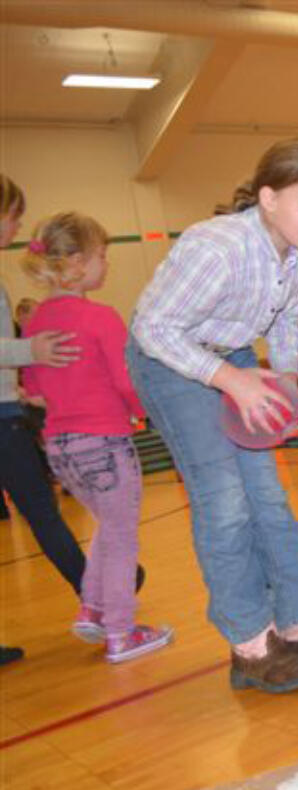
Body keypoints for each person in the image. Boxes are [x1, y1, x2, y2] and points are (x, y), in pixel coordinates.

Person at [127, 138, 298, 694]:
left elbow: (287, 323)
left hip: (237, 358)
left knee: (267, 498)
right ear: (269, 198)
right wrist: (231, 380)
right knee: (224, 502)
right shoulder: (216, 247)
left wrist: (285, 385)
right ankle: (250, 641)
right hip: (173, 362)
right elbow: (153, 331)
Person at [20, 212, 171, 662]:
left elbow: (33, 386)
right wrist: (145, 413)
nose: (107, 266)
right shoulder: (101, 317)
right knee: (123, 535)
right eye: (103, 256)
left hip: (61, 449)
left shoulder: (36, 322)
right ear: (80, 263)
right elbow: (126, 380)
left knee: (109, 525)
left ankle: (94, 607)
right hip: (103, 443)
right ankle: (122, 632)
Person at [0, 174, 94, 666]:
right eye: (14, 215)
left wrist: (17, 387)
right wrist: (27, 349)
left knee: (42, 510)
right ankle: (97, 591)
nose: (16, 225)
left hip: (6, 411)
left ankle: (97, 588)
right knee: (41, 511)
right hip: (2, 422)